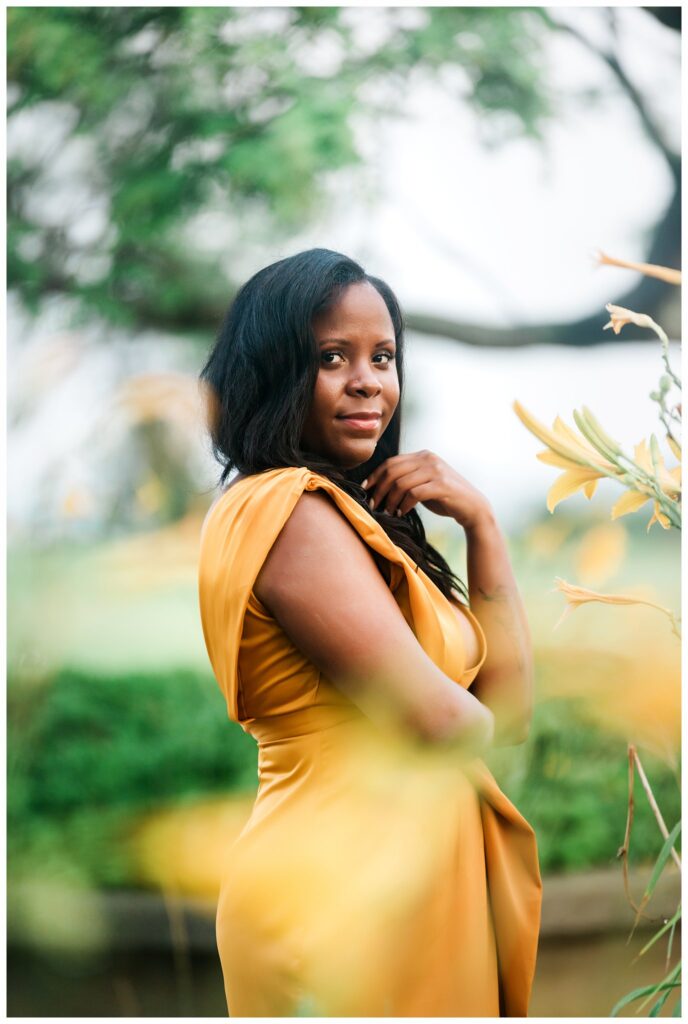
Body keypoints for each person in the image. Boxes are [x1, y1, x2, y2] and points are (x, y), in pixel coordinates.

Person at [198, 247, 542, 1017]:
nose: (369, 380)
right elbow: (440, 720)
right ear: (275, 373)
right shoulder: (287, 509)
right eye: (332, 357)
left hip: (406, 878)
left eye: (383, 357)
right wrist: (460, 713)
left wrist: (483, 524)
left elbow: (507, 716)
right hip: (339, 890)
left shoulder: (356, 521)